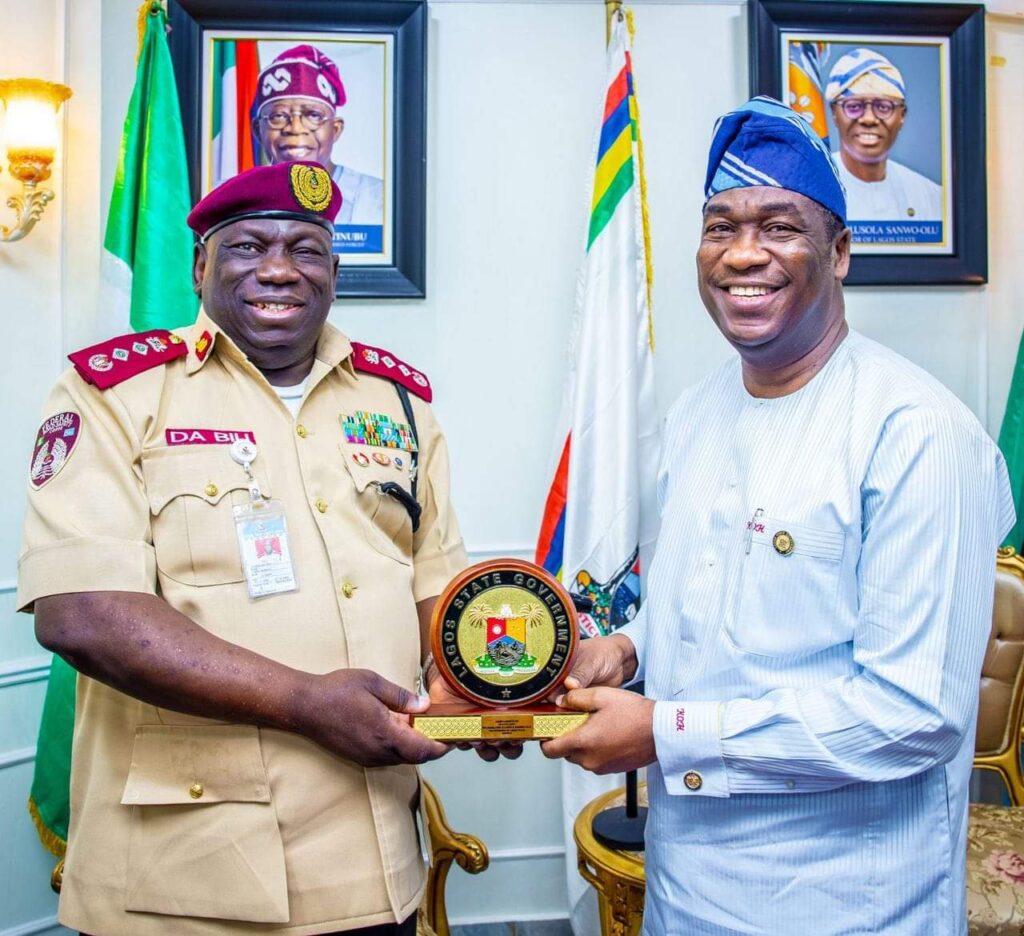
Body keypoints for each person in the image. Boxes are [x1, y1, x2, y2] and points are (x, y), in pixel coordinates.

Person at [542, 97, 1014, 934]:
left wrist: (665, 733)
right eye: (720, 226)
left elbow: (913, 716)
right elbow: (698, 612)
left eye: (779, 227)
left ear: (839, 252)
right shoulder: (694, 414)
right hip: (685, 893)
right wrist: (623, 651)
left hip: (848, 907)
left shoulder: (918, 436)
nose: (743, 254)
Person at [17, 161, 475, 936]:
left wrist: (476, 692)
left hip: (379, 858)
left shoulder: (400, 403)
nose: (278, 269)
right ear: (200, 266)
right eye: (248, 246)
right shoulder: (114, 395)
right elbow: (83, 614)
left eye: (305, 248)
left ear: (332, 271)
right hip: (190, 879)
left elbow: (439, 581)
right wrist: (305, 700)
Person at [252, 44, 384, 228]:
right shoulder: (233, 197)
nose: (296, 128)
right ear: (258, 130)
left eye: (313, 115)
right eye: (278, 116)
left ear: (335, 129)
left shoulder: (379, 200)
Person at [825, 47, 942, 222]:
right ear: (834, 113)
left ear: (902, 115)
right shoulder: (812, 189)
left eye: (884, 107)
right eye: (854, 106)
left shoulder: (930, 196)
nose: (869, 119)